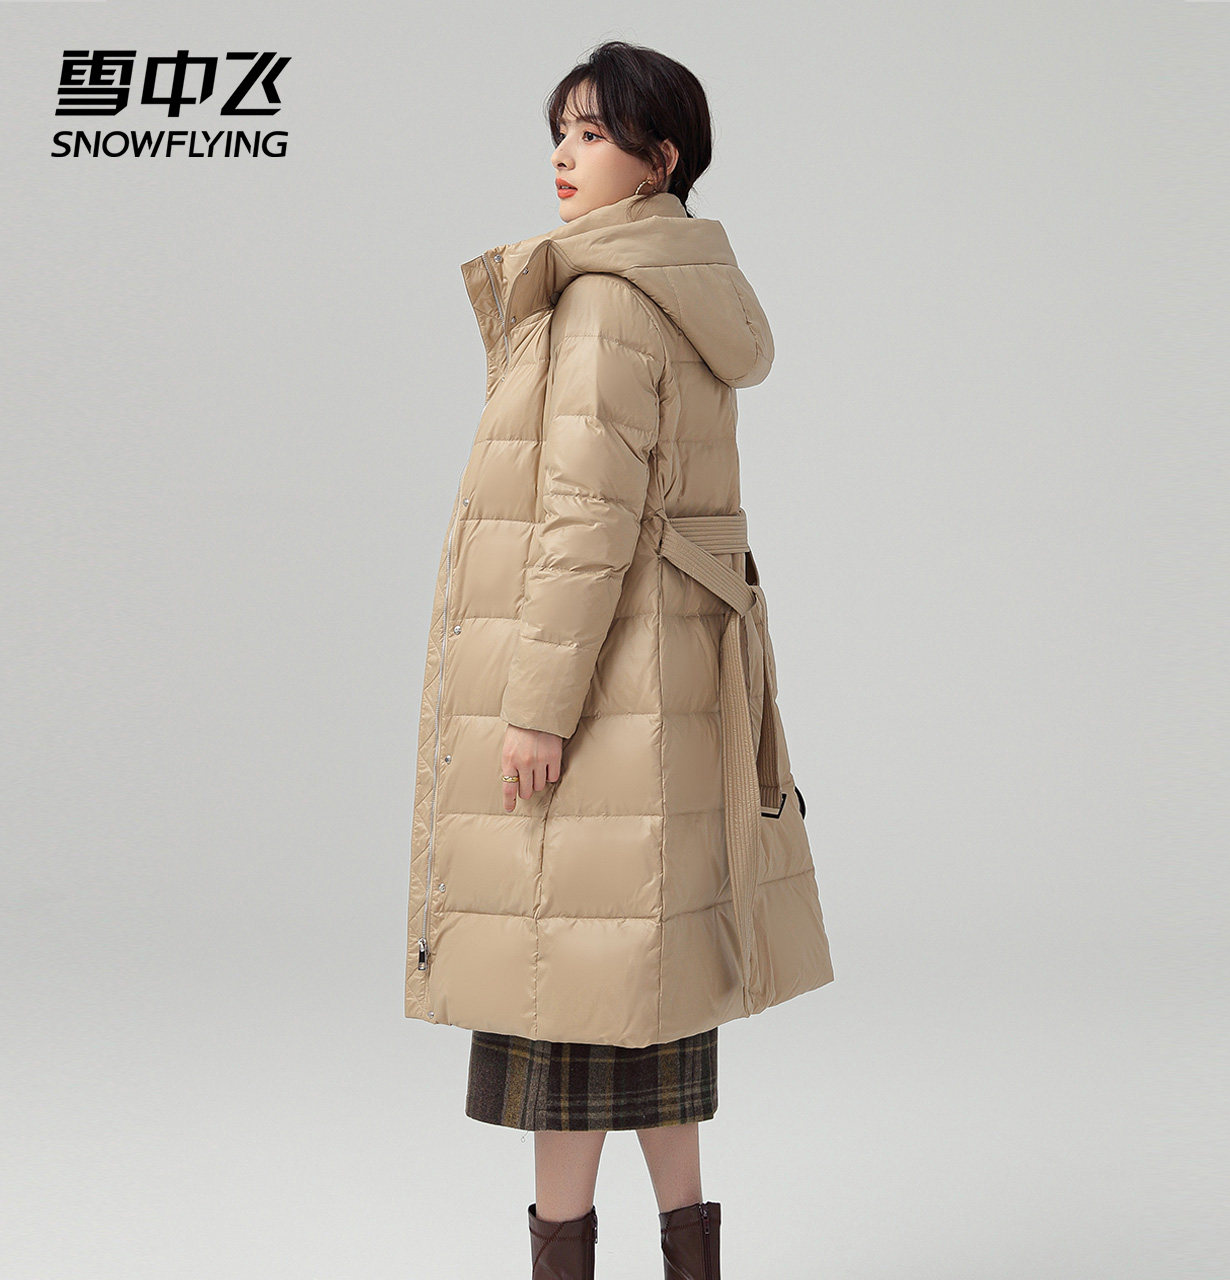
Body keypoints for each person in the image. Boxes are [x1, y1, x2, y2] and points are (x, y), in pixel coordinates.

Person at [404, 40, 834, 1279]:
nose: (562, 154)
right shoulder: (683, 287)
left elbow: (584, 521)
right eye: (561, 129)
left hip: (596, 700)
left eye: (593, 133)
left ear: (660, 159)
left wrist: (536, 708)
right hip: (668, 691)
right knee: (654, 1002)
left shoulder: (602, 299)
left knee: (565, 1002)